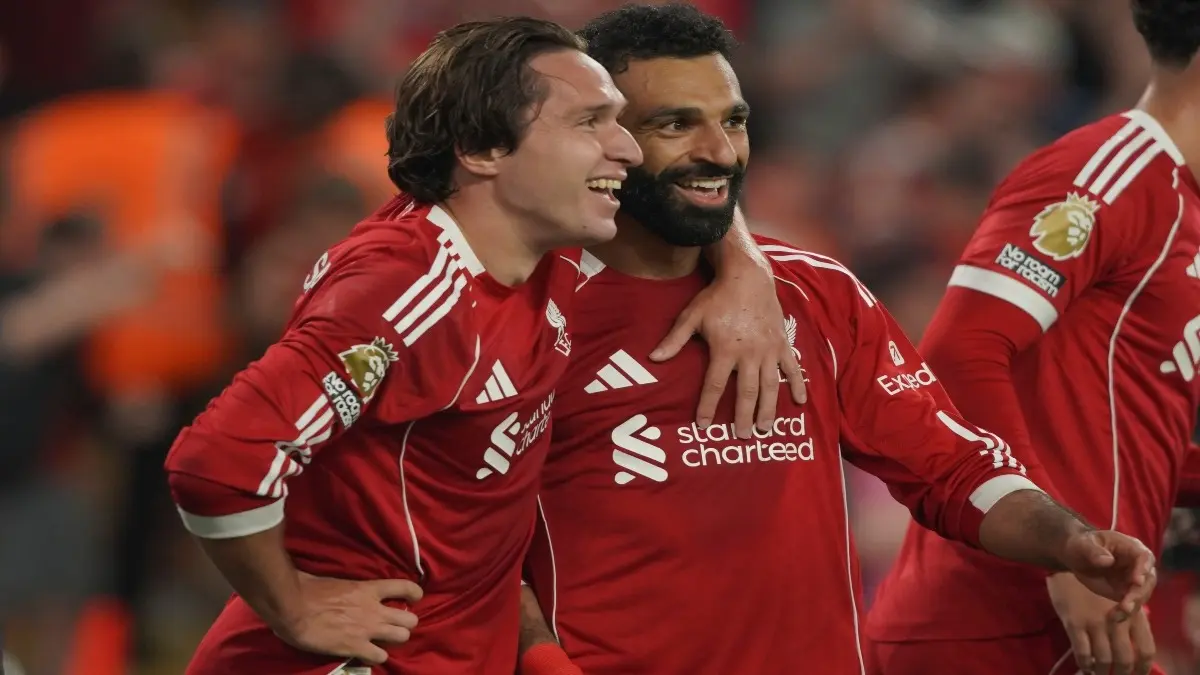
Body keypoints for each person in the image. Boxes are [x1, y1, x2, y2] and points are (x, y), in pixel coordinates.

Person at [512, 5, 1159, 675]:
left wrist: (1071, 540)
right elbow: (467, 543)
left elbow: (953, 466)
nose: (719, 151)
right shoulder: (525, 312)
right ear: (602, 138)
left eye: (733, 121)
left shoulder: (817, 294)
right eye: (675, 123)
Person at [164, 16, 801, 675]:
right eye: (589, 123)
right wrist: (293, 606)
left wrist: (743, 264)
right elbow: (219, 462)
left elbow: (695, 182)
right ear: (482, 149)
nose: (629, 150)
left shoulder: (541, 243)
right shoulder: (406, 292)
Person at [865, 2, 1200, 674]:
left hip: (1088, 625)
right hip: (983, 625)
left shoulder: (1184, 205)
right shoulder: (1111, 172)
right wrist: (1062, 546)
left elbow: (1122, 420)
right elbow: (961, 352)